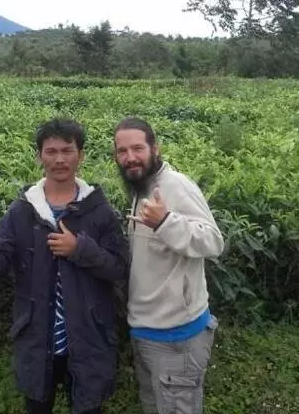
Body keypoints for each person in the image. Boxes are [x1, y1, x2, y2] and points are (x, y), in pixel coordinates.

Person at [0, 118, 129, 414]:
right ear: (39, 156)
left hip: (89, 338)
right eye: (51, 151)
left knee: (89, 407)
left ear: (81, 155)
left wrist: (79, 249)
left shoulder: (99, 210)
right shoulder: (23, 210)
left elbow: (119, 268)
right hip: (38, 340)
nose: (60, 159)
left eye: (67, 150)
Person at [112, 116, 225, 414]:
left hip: (178, 337)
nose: (130, 157)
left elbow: (213, 241)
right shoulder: (140, 188)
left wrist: (165, 222)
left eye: (138, 148)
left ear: (155, 148)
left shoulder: (175, 186)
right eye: (122, 151)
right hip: (145, 331)